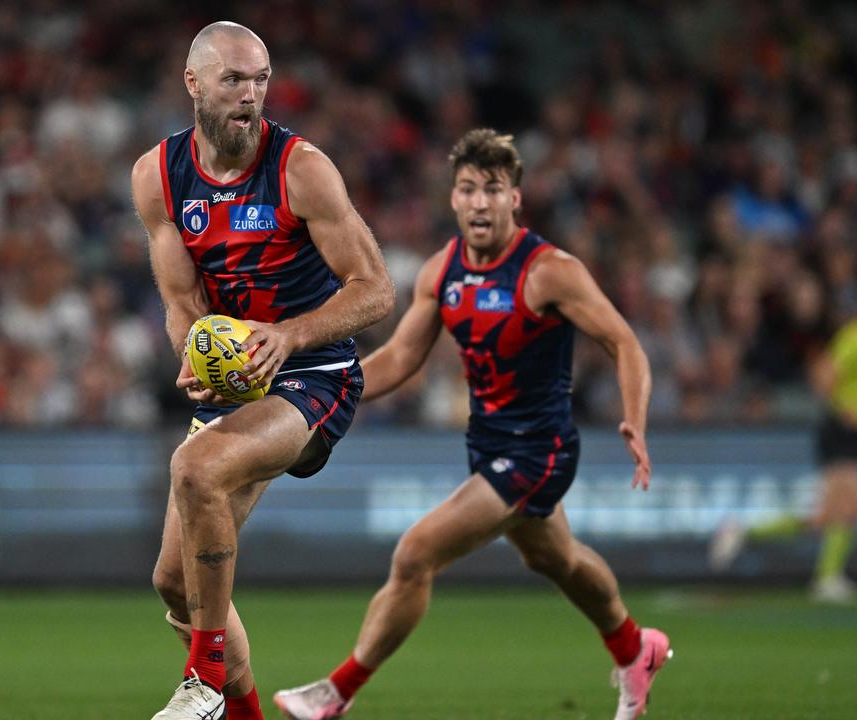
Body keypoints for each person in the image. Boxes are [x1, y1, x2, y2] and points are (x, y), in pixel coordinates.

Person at [273, 129, 669, 720]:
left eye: (493, 188)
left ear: (515, 199)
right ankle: (636, 648)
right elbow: (401, 359)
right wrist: (317, 397)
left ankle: (336, 693)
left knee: (415, 554)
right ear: (453, 200)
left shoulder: (549, 272)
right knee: (556, 560)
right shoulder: (442, 273)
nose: (479, 201)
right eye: (467, 189)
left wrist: (634, 420)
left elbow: (624, 343)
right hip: (487, 444)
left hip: (540, 452)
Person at [131, 21, 394, 720]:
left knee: (195, 470)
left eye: (260, 80)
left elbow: (375, 287)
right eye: (233, 80)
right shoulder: (158, 176)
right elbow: (181, 298)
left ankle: (204, 681)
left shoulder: (301, 168)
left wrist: (289, 334)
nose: (250, 95)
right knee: (173, 582)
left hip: (315, 372)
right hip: (237, 382)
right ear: (194, 84)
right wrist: (191, 349)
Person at [710, 284, 857, 604]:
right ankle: (826, 578)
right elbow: (825, 373)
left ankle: (742, 531)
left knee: (829, 515)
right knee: (851, 505)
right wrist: (843, 405)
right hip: (839, 426)